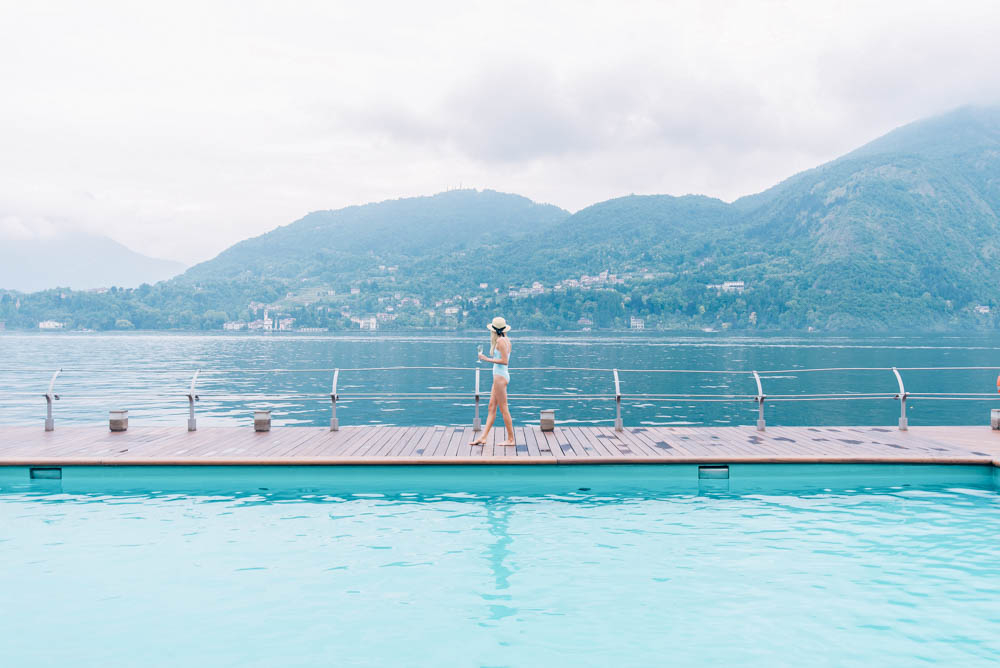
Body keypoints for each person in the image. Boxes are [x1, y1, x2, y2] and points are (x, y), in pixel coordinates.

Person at [471, 316, 515, 446]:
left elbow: (505, 361)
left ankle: (511, 439)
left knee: (504, 408)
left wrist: (485, 359)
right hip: (499, 377)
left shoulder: (501, 341)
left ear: (494, 330)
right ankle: (483, 437)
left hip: (500, 378)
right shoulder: (505, 340)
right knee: (491, 408)